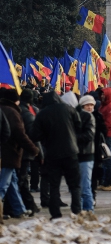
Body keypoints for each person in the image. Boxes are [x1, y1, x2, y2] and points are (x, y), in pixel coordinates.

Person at [31, 90, 83, 219]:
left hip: (52, 154)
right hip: (71, 151)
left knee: (54, 185)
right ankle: (77, 211)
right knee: (74, 185)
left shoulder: (42, 114)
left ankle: (55, 214)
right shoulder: (69, 109)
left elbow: (34, 135)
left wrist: (46, 137)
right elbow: (79, 125)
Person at [0, 88, 38, 219]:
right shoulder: (12, 112)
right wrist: (34, 149)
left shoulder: (4, 110)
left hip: (7, 153)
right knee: (4, 184)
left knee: (12, 183)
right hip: (10, 153)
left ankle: (19, 209)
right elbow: (20, 134)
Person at [17, 89, 40, 215]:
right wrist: (37, 151)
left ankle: (26, 204)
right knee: (21, 179)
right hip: (24, 151)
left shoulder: (18, 111)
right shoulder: (28, 114)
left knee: (20, 179)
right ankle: (25, 205)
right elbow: (33, 135)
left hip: (17, 150)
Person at [76, 95, 97, 212]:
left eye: (91, 105)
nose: (89, 107)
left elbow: (89, 135)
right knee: (80, 185)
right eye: (87, 105)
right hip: (80, 154)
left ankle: (88, 210)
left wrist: (73, 137)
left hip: (87, 154)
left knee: (85, 186)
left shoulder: (90, 117)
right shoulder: (78, 116)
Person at [98, 87, 111, 191]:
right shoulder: (104, 105)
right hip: (103, 135)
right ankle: (106, 182)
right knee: (105, 159)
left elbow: (109, 123)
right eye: (101, 94)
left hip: (108, 136)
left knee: (108, 159)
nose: (101, 96)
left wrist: (102, 129)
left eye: (103, 94)